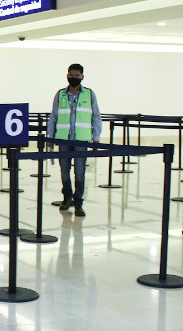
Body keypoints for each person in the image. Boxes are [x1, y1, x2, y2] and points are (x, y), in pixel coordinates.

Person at [47, 63, 101, 217]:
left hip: (81, 140)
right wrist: (50, 136)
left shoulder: (90, 94)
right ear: (67, 75)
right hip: (63, 140)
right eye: (71, 75)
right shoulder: (60, 94)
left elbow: (96, 116)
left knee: (80, 172)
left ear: (82, 77)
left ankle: (78, 203)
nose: (74, 78)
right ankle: (67, 198)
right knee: (64, 172)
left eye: (77, 76)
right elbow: (53, 117)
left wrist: (96, 137)